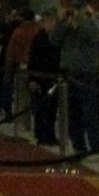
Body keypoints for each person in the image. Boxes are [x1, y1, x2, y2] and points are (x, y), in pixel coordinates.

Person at [54, 0, 99, 155]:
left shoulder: (91, 22)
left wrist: (81, 21)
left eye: (77, 9)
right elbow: (54, 40)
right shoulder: (67, 24)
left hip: (87, 73)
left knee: (89, 111)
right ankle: (78, 144)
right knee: (73, 112)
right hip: (69, 73)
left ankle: (96, 147)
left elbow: (94, 35)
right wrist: (62, 24)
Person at [28, 8, 62, 147]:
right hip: (40, 77)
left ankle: (49, 135)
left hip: (53, 77)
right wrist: (32, 79)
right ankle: (42, 135)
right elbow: (33, 58)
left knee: (51, 108)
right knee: (41, 108)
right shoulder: (39, 37)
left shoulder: (57, 37)